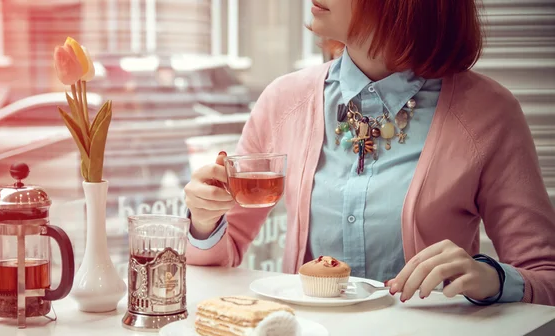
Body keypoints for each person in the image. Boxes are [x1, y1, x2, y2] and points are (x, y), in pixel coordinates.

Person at [183, 0, 555, 306]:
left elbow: (545, 279)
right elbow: (224, 252)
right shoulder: (284, 100)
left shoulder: (489, 113)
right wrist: (204, 221)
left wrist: (491, 276)